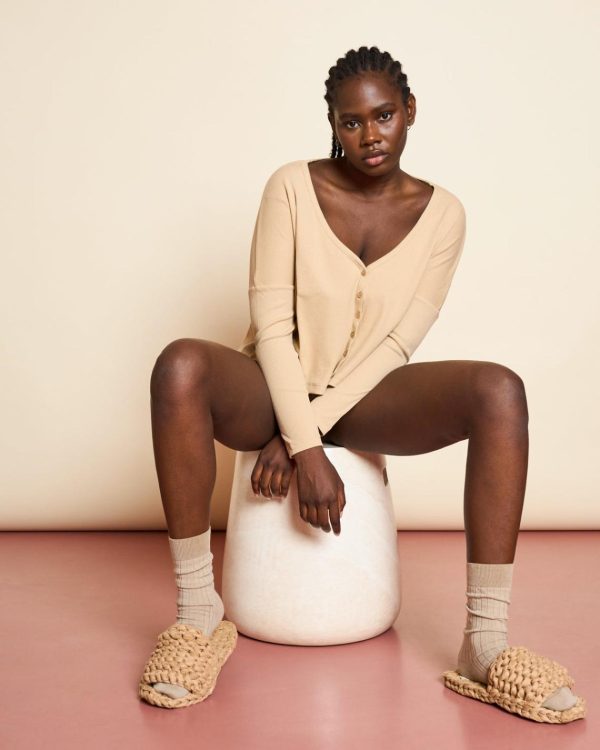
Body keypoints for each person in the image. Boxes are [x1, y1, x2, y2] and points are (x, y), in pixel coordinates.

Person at [138, 46, 585, 722]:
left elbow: (399, 343)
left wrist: (310, 434)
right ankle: (197, 612)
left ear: (410, 111)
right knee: (179, 365)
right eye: (352, 122)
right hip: (269, 386)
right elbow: (273, 327)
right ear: (333, 125)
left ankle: (485, 643)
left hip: (367, 397)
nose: (370, 135)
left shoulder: (444, 214)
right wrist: (303, 441)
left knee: (500, 392)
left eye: (384, 116)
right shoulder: (291, 187)